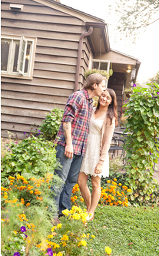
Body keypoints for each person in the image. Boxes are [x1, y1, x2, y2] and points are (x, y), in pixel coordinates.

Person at [52, 73, 108, 217]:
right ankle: (51, 215)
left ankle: (63, 211)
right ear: (94, 85)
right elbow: (66, 121)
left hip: (80, 149)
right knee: (59, 180)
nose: (104, 89)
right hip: (68, 146)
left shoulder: (90, 103)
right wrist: (69, 144)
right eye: (102, 86)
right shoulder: (78, 96)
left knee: (70, 181)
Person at [78, 88, 119, 220]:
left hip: (98, 151)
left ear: (111, 102)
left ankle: (90, 212)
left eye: (108, 98)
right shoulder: (92, 109)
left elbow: (107, 141)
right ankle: (90, 208)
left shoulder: (110, 118)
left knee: (95, 183)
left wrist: (101, 162)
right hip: (86, 149)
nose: (104, 98)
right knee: (80, 181)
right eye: (103, 95)